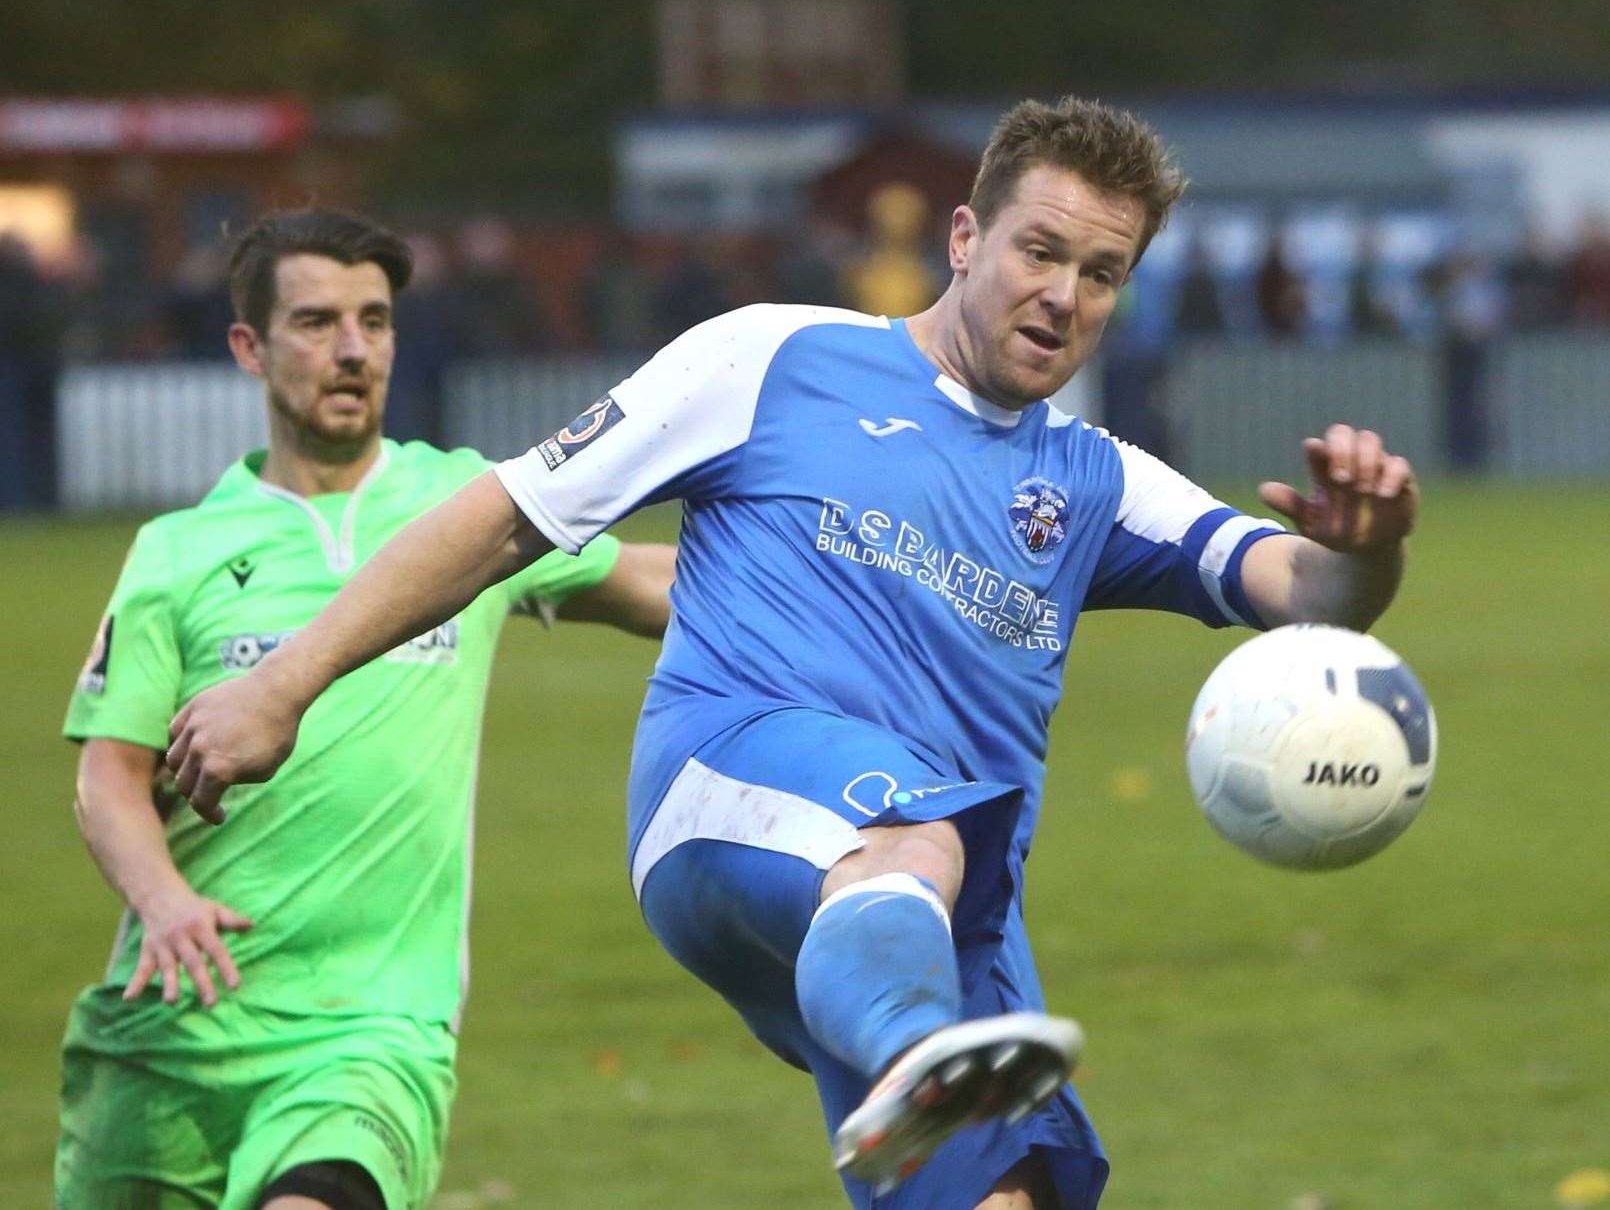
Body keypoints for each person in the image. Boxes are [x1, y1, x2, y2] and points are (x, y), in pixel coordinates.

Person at [165, 100, 1421, 1210]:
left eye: (1102, 273)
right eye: (1040, 251)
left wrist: (1368, 546)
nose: (1063, 295)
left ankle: (918, 1070)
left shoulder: (1098, 483)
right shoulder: (771, 358)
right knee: (905, 848)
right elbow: (507, 515)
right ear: (964, 237)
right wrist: (284, 681)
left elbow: (1305, 593)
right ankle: (920, 1054)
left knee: (1008, 1189)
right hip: (729, 803)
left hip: (926, 914)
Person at [58, 208, 676, 1210]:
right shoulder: (178, 549)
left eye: (374, 321)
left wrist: (853, 577)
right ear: (249, 349)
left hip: (369, 1030)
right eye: (315, 323)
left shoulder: (466, 510)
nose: (352, 350)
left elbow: (651, 581)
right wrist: (164, 904)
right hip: (173, 1026)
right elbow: (108, 775)